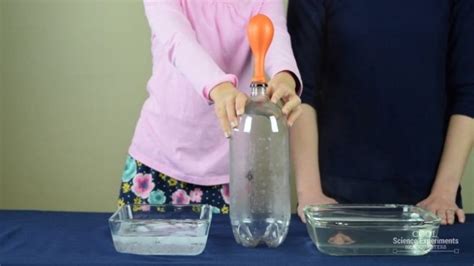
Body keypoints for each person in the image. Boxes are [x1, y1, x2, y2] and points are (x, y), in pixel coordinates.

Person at [288, 0, 474, 224]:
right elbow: (299, 91)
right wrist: (310, 193)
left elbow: (468, 92)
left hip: (431, 206)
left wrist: (444, 193)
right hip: (333, 203)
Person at [117, 0, 302, 214]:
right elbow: (179, 41)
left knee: (234, 247)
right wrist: (219, 87)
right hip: (157, 162)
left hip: (233, 171)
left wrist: (285, 76)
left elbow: (275, 34)